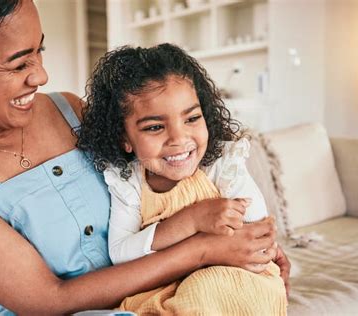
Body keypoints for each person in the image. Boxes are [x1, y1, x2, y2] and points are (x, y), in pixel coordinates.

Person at [0, 0, 289, 315]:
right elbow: (49, 299)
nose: (41, 75)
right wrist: (206, 250)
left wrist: (249, 248)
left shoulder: (74, 111)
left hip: (156, 293)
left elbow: (170, 180)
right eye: (19, 65)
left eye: (39, 52)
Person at [77, 43, 289, 315]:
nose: (179, 139)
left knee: (205, 292)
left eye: (191, 118)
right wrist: (191, 220)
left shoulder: (221, 166)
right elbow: (120, 253)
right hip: (170, 285)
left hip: (235, 279)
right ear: (125, 139)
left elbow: (257, 227)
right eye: (154, 127)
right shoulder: (128, 182)